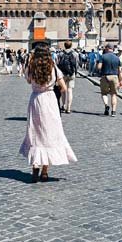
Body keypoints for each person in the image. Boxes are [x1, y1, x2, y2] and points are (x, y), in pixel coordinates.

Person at [19, 44, 77, 182]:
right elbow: (63, 88)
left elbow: (28, 81)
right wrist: (51, 89)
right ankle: (44, 171)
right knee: (49, 134)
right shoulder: (53, 68)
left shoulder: (31, 68)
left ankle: (35, 168)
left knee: (35, 134)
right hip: (50, 101)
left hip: (35, 100)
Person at [97, 44, 122, 117]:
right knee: (114, 94)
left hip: (105, 76)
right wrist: (120, 81)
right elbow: (120, 71)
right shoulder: (117, 58)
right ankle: (113, 111)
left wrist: (98, 64)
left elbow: (99, 67)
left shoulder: (103, 56)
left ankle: (106, 105)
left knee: (104, 93)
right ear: (112, 49)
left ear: (107, 48)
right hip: (115, 77)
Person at [57, 40, 78, 114]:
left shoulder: (60, 53)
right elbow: (76, 64)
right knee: (70, 90)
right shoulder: (75, 54)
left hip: (62, 74)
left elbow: (58, 64)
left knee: (63, 90)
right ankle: (68, 108)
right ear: (71, 45)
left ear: (64, 45)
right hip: (71, 74)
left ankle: (63, 105)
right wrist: (75, 72)